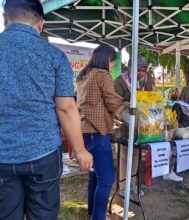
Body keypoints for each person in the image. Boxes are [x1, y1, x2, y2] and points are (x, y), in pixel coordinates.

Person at [0, 1, 93, 219]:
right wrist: (80, 150)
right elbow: (66, 108)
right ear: (41, 24)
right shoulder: (54, 55)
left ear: (5, 18)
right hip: (42, 155)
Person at [76, 44, 126, 219]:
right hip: (97, 133)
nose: (112, 67)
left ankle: (92, 212)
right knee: (106, 179)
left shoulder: (84, 75)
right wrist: (129, 105)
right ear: (107, 60)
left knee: (95, 176)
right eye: (113, 63)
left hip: (84, 132)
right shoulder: (102, 75)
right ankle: (98, 217)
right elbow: (112, 101)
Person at [114, 55, 155, 195]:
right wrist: (128, 104)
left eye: (143, 70)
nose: (140, 74)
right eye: (138, 70)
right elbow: (115, 106)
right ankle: (123, 187)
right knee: (125, 156)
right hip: (124, 124)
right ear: (131, 68)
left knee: (136, 154)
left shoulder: (147, 80)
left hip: (142, 124)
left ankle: (132, 185)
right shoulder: (120, 81)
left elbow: (152, 98)